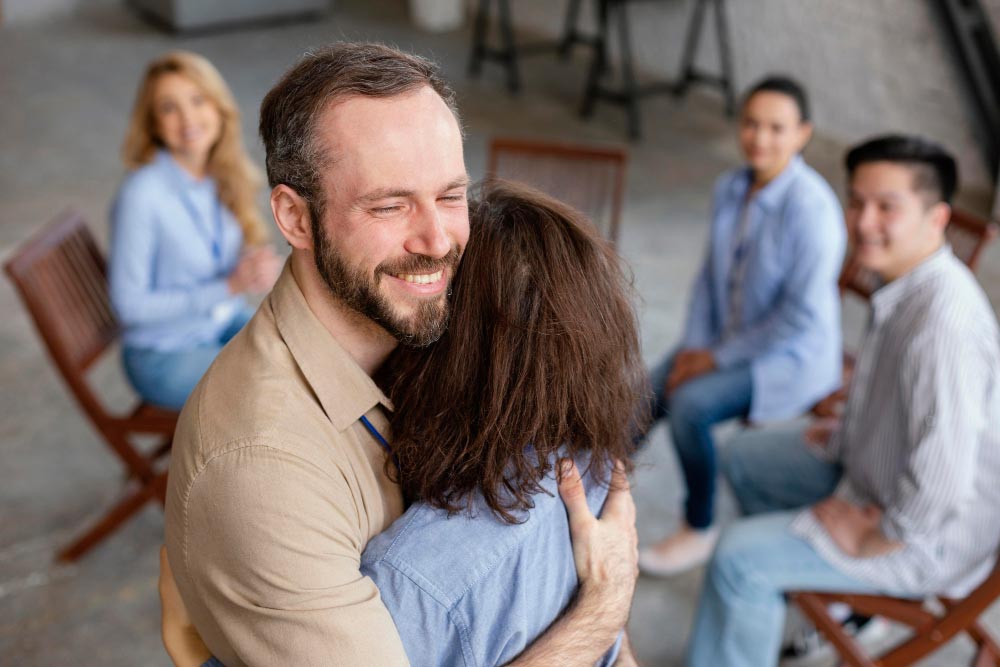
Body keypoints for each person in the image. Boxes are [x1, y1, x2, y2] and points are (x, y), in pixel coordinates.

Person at [164, 43, 639, 666]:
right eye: (389, 206)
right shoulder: (263, 467)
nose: (438, 240)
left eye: (449, 196)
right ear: (294, 218)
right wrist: (601, 612)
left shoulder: (413, 313)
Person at [686, 134, 1000, 667]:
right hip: (877, 474)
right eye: (856, 201)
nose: (863, 220)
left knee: (738, 562)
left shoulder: (943, 324)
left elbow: (944, 479)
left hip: (924, 534)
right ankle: (813, 591)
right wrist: (848, 434)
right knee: (745, 458)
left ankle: (838, 589)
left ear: (937, 217)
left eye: (887, 207)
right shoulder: (906, 282)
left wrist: (875, 538)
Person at [638, 75, 846, 576]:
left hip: (787, 357)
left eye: (777, 128)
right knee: (643, 393)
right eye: (751, 124)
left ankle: (699, 527)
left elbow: (797, 319)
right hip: (724, 338)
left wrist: (713, 359)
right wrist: (696, 344)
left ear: (803, 134)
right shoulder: (730, 187)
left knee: (689, 406)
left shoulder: (813, 211)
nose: (760, 138)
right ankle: (594, 480)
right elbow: (710, 279)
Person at [109, 51, 280, 410]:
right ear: (153, 123)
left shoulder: (218, 173)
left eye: (197, 100)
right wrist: (229, 286)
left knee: (301, 350)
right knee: (275, 392)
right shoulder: (142, 195)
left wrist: (251, 266)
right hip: (164, 352)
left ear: (218, 107)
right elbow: (129, 306)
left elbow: (213, 252)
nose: (187, 118)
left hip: (217, 321)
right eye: (169, 108)